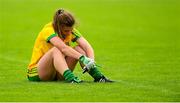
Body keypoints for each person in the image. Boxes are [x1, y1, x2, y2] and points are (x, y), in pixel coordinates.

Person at [27, 9, 113, 83]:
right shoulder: (48, 30)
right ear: (58, 27)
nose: (69, 32)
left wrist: (91, 61)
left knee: (79, 49)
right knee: (56, 49)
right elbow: (63, 48)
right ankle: (71, 79)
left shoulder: (70, 30)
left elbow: (87, 46)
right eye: (66, 31)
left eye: (71, 30)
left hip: (56, 73)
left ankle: (99, 77)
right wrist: (83, 58)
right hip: (37, 73)